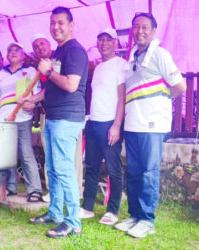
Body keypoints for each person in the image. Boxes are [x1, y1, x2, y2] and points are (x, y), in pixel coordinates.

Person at [114, 13, 186, 238]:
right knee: (134, 172)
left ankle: (147, 220)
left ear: (154, 30)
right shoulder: (133, 56)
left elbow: (180, 86)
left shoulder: (160, 54)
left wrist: (161, 101)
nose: (139, 31)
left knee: (148, 172)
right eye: (136, 27)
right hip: (133, 124)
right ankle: (135, 215)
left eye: (145, 27)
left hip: (152, 125)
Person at [29, 7, 88, 238]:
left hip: (67, 118)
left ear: (71, 25)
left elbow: (71, 85)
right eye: (53, 23)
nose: (56, 27)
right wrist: (33, 99)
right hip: (53, 117)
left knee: (64, 170)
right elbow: (51, 87)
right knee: (52, 169)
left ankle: (73, 222)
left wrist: (48, 71)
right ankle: (55, 213)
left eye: (61, 22)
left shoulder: (74, 51)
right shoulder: (58, 52)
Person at [79, 28, 126, 225]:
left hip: (110, 123)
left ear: (116, 43)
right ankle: (88, 207)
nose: (104, 43)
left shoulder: (121, 65)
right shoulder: (98, 68)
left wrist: (116, 125)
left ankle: (112, 210)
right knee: (91, 167)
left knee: (113, 168)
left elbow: (122, 98)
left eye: (108, 40)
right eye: (100, 40)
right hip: (93, 122)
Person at [0, 42, 43, 202]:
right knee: (4, 153)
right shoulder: (0, 74)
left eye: (17, 50)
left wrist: (32, 103)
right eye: (10, 50)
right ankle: (9, 187)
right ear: (6, 56)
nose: (13, 52)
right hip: (3, 117)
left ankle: (35, 190)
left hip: (22, 116)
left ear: (23, 54)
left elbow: (37, 93)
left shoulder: (30, 71)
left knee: (25, 152)